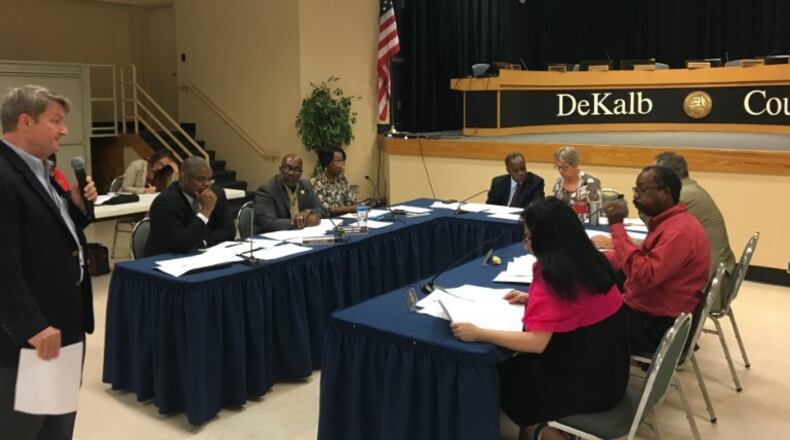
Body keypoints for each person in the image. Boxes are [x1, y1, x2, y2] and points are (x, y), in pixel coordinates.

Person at [451, 198, 628, 439]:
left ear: (548, 238)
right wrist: (531, 298)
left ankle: (545, 434)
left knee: (504, 375)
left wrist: (479, 333)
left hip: (585, 387)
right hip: (612, 375)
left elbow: (536, 342)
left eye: (528, 238)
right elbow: (579, 301)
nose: (525, 246)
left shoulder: (550, 273)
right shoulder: (592, 259)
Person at [0, 85, 97, 439]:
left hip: (61, 321)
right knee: (26, 426)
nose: (64, 129)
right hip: (34, 333)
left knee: (56, 420)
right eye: (55, 121)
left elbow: (54, 236)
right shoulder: (4, 175)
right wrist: (33, 325)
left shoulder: (41, 169)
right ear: (25, 121)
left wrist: (74, 206)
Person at [599, 165, 710, 355]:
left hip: (657, 326)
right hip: (652, 311)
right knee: (600, 276)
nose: (635, 196)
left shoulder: (678, 232)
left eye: (642, 190)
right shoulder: (670, 222)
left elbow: (643, 275)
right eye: (636, 190)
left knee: (585, 321)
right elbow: (640, 258)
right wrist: (600, 256)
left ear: (665, 193)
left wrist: (617, 226)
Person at [654, 152, 736, 309]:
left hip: (709, 284)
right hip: (715, 272)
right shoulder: (691, 189)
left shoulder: (684, 196)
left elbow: (654, 225)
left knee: (642, 278)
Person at [143, 156, 235, 257]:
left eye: (209, 179)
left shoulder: (216, 194)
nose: (207, 184)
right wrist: (205, 211)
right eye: (201, 179)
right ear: (183, 178)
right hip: (165, 261)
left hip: (202, 256)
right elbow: (181, 245)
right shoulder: (165, 203)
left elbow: (229, 231)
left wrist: (204, 243)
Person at [254, 153, 326, 233]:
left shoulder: (306, 185)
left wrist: (306, 212)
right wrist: (301, 222)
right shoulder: (267, 190)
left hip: (298, 234)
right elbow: (269, 223)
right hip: (270, 238)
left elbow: (322, 210)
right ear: (280, 170)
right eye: (287, 168)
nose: (291, 173)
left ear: (301, 172)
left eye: (297, 170)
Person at [311, 148, 359, 216]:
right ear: (327, 162)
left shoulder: (342, 179)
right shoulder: (317, 182)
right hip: (330, 221)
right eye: (337, 162)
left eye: (342, 162)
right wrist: (350, 209)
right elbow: (326, 209)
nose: (340, 166)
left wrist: (361, 206)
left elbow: (353, 201)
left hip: (348, 219)